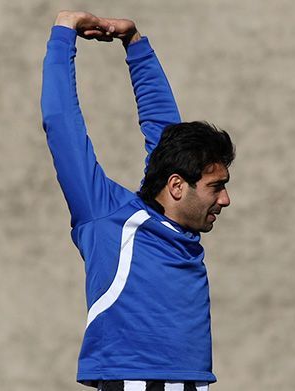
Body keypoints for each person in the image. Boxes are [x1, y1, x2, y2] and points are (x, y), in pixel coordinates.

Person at [41, 11, 234, 390]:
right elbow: (62, 124)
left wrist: (135, 45)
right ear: (177, 187)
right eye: (216, 186)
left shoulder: (180, 224)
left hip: (195, 382)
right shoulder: (106, 217)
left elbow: (165, 130)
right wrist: (64, 33)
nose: (226, 199)